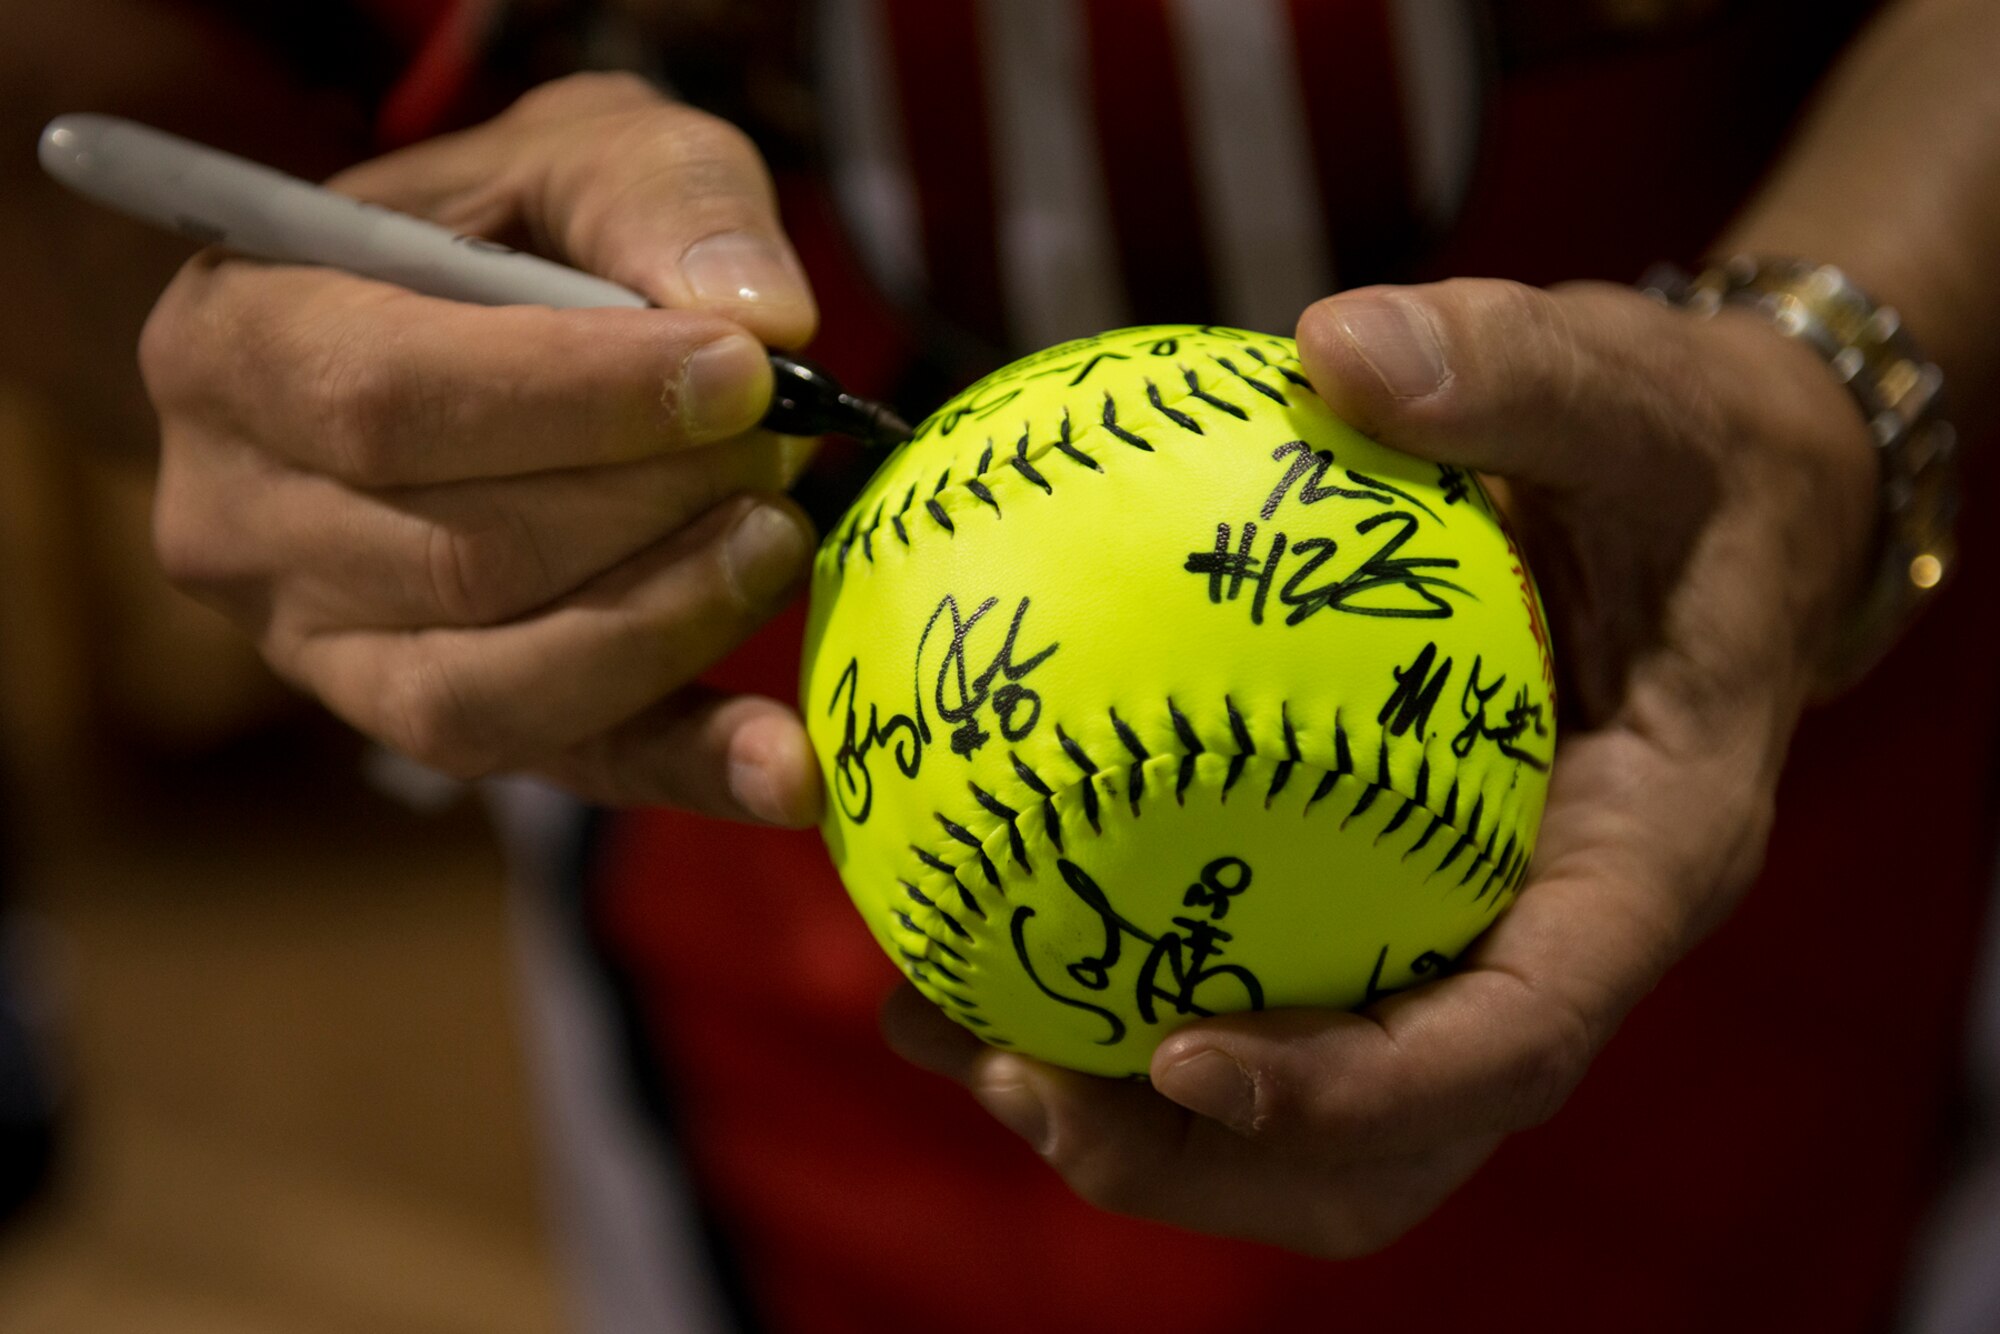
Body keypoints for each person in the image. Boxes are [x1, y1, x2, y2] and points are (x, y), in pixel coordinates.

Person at [57, 0, 2000, 1328]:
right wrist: (279, 383)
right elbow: (76, 101)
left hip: (1804, 732)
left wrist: (1836, 361)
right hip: (747, 828)